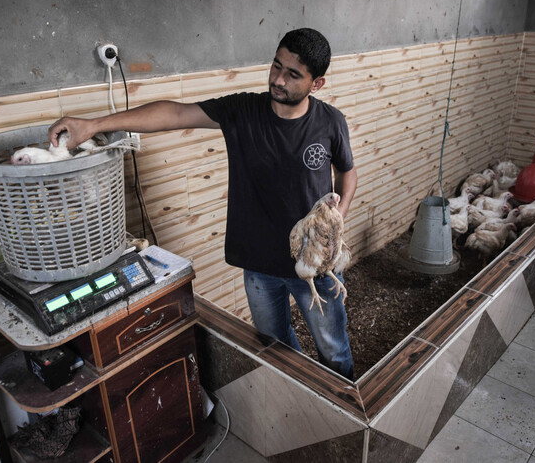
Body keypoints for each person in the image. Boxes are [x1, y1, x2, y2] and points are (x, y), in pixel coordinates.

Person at [49, 28, 358, 379]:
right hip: (259, 264)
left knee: (333, 347)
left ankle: (347, 410)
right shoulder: (243, 111)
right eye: (276, 66)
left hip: (315, 261)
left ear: (316, 84)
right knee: (275, 346)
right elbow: (175, 115)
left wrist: (336, 219)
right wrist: (94, 125)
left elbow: (348, 173)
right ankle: (298, 399)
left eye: (292, 74)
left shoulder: (330, 121)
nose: (278, 79)